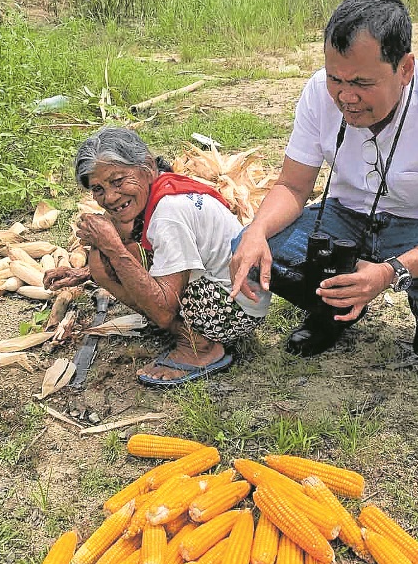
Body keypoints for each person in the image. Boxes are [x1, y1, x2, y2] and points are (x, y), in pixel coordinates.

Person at [230, 0, 418, 378]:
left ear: (405, 68)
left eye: (362, 82)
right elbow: (292, 186)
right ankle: (333, 312)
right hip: (344, 219)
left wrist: (391, 270)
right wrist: (256, 231)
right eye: (335, 79)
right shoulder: (317, 94)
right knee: (252, 246)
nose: (346, 96)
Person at [46, 126, 270, 386]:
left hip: (234, 311)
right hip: (236, 295)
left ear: (148, 167)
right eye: (98, 189)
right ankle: (193, 332)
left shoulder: (168, 212)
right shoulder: (162, 190)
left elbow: (163, 312)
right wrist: (84, 272)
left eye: (118, 181)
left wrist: (111, 247)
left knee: (109, 259)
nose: (110, 197)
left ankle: (200, 346)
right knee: (103, 261)